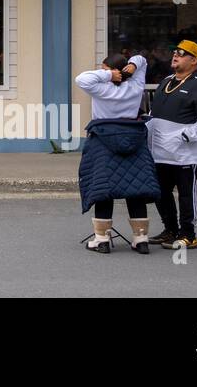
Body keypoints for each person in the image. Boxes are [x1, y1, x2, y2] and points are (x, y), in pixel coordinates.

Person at [76, 54, 158, 253]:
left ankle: (102, 239)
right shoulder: (136, 86)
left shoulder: (101, 88)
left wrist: (106, 75)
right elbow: (142, 59)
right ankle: (141, 239)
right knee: (135, 188)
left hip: (103, 141)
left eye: (105, 68)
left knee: (104, 189)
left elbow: (81, 79)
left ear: (110, 70)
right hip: (133, 138)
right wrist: (132, 65)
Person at [146, 40, 197, 249]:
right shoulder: (166, 81)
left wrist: (184, 136)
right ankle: (170, 230)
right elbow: (154, 113)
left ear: (194, 60)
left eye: (181, 53)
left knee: (186, 194)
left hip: (185, 154)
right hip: (159, 153)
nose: (175, 55)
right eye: (174, 52)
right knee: (160, 193)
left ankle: (188, 234)